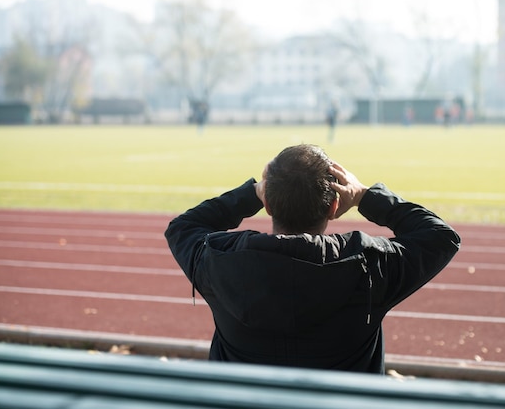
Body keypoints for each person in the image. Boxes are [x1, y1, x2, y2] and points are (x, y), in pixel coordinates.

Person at [165, 144, 461, 374]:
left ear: (267, 203)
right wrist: (364, 196)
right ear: (334, 205)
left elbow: (182, 228)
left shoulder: (220, 260)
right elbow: (440, 237)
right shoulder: (369, 265)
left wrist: (251, 194)